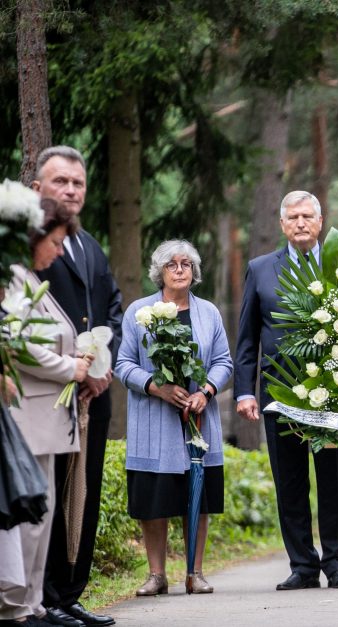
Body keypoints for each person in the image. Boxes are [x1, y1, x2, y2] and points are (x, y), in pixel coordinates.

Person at [235, 191, 338, 590]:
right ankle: (303, 565)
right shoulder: (261, 268)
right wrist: (244, 391)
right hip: (280, 393)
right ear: (282, 225)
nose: (301, 223)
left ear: (320, 222)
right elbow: (248, 337)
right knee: (290, 481)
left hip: (334, 395)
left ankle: (337, 563)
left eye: (307, 216)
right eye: (293, 217)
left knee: (336, 480)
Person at [32, 146, 122, 627]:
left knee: (83, 494)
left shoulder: (91, 246)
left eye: (78, 183)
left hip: (93, 393)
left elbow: (113, 308)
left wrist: (102, 368)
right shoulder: (27, 247)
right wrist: (73, 368)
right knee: (49, 492)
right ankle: (41, 597)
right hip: (50, 391)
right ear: (37, 189)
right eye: (60, 182)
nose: (71, 191)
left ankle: (71, 593)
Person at [114, 240, 233, 596]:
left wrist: (206, 391)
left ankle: (195, 573)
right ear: (160, 272)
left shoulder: (209, 313)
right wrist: (156, 387)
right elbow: (123, 364)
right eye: (172, 265)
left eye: (186, 264)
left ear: (194, 272)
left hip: (198, 418)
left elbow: (224, 362)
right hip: (155, 420)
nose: (180, 270)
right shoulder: (139, 311)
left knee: (198, 494)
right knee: (156, 499)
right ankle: (156, 575)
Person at [0, 200, 90, 624]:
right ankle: (17, 605)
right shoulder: (15, 279)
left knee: (45, 513)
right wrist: (68, 367)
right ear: (34, 238)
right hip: (29, 414)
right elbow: (19, 344)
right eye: (54, 242)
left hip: (49, 418)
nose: (57, 252)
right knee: (30, 517)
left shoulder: (31, 278)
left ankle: (32, 603)